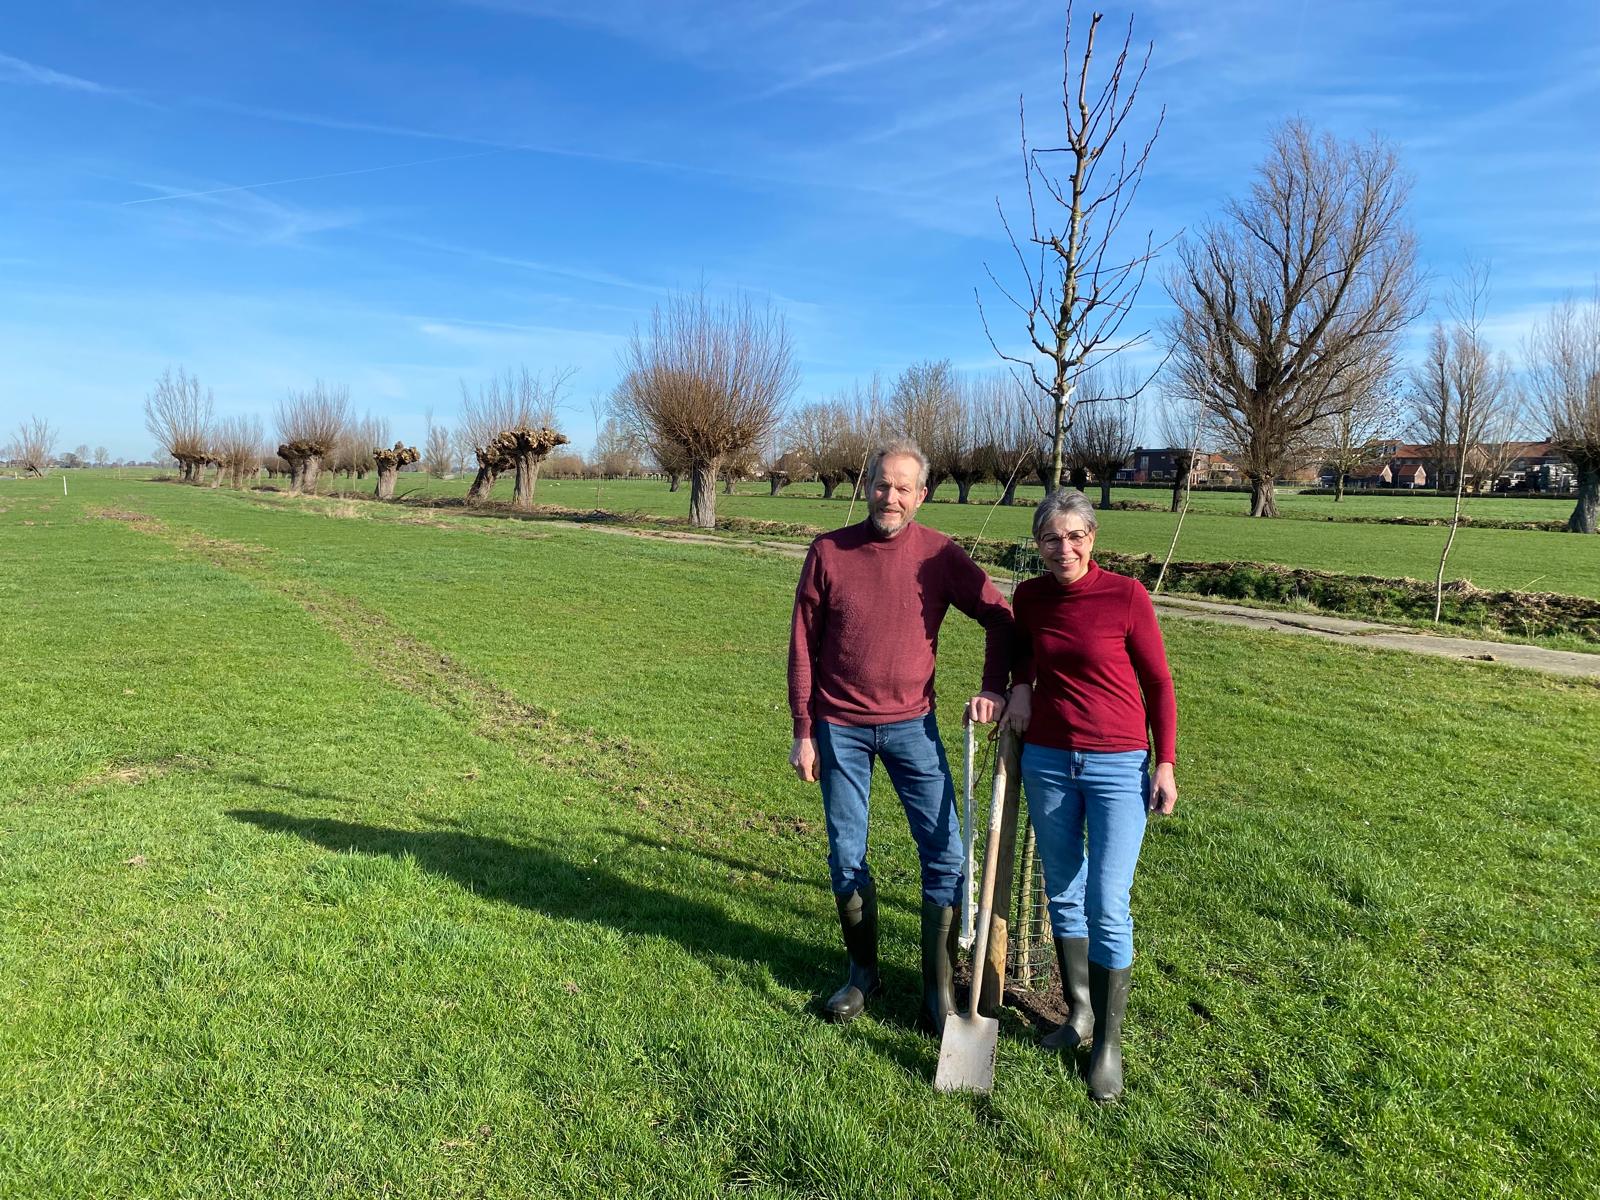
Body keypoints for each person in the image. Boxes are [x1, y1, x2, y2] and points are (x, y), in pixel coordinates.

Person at [788, 439, 1013, 1035]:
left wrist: (995, 686)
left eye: (903, 488)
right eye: (882, 484)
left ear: (922, 494)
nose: (890, 496)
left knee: (945, 852)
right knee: (845, 853)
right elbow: (802, 647)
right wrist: (803, 729)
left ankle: (936, 993)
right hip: (840, 728)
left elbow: (999, 616)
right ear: (868, 486)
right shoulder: (829, 553)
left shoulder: (940, 556)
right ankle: (863, 974)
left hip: (914, 726)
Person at [998, 488, 1178, 1102]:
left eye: (1075, 536)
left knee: (1107, 899)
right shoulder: (1030, 596)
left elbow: (1158, 682)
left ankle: (1108, 1043)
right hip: (1048, 761)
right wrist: (1020, 686)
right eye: (1051, 538)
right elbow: (1023, 650)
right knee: (1063, 892)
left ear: (1092, 538)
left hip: (1118, 765)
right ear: (1038, 544)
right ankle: (1079, 1015)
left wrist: (1167, 763)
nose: (1064, 548)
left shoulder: (1126, 596)